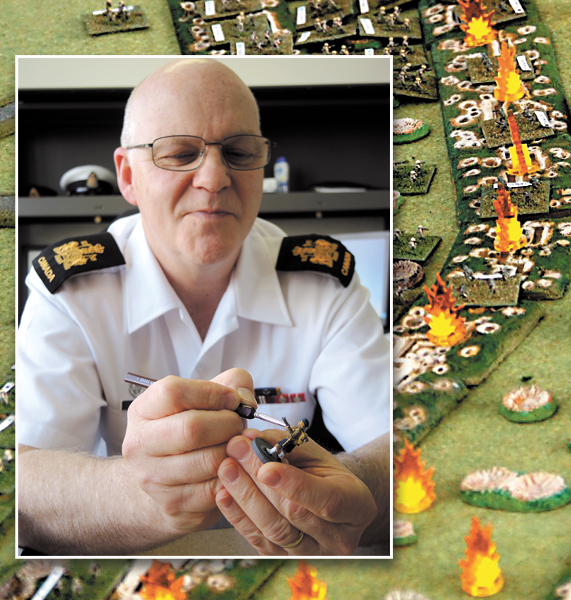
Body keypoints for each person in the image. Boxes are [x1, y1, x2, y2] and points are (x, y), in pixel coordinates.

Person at [16, 58, 390, 556]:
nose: (213, 179)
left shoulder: (324, 282)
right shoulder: (70, 289)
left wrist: (344, 489)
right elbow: (24, 479)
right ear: (127, 174)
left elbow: (403, 439)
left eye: (238, 152)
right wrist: (158, 499)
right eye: (178, 154)